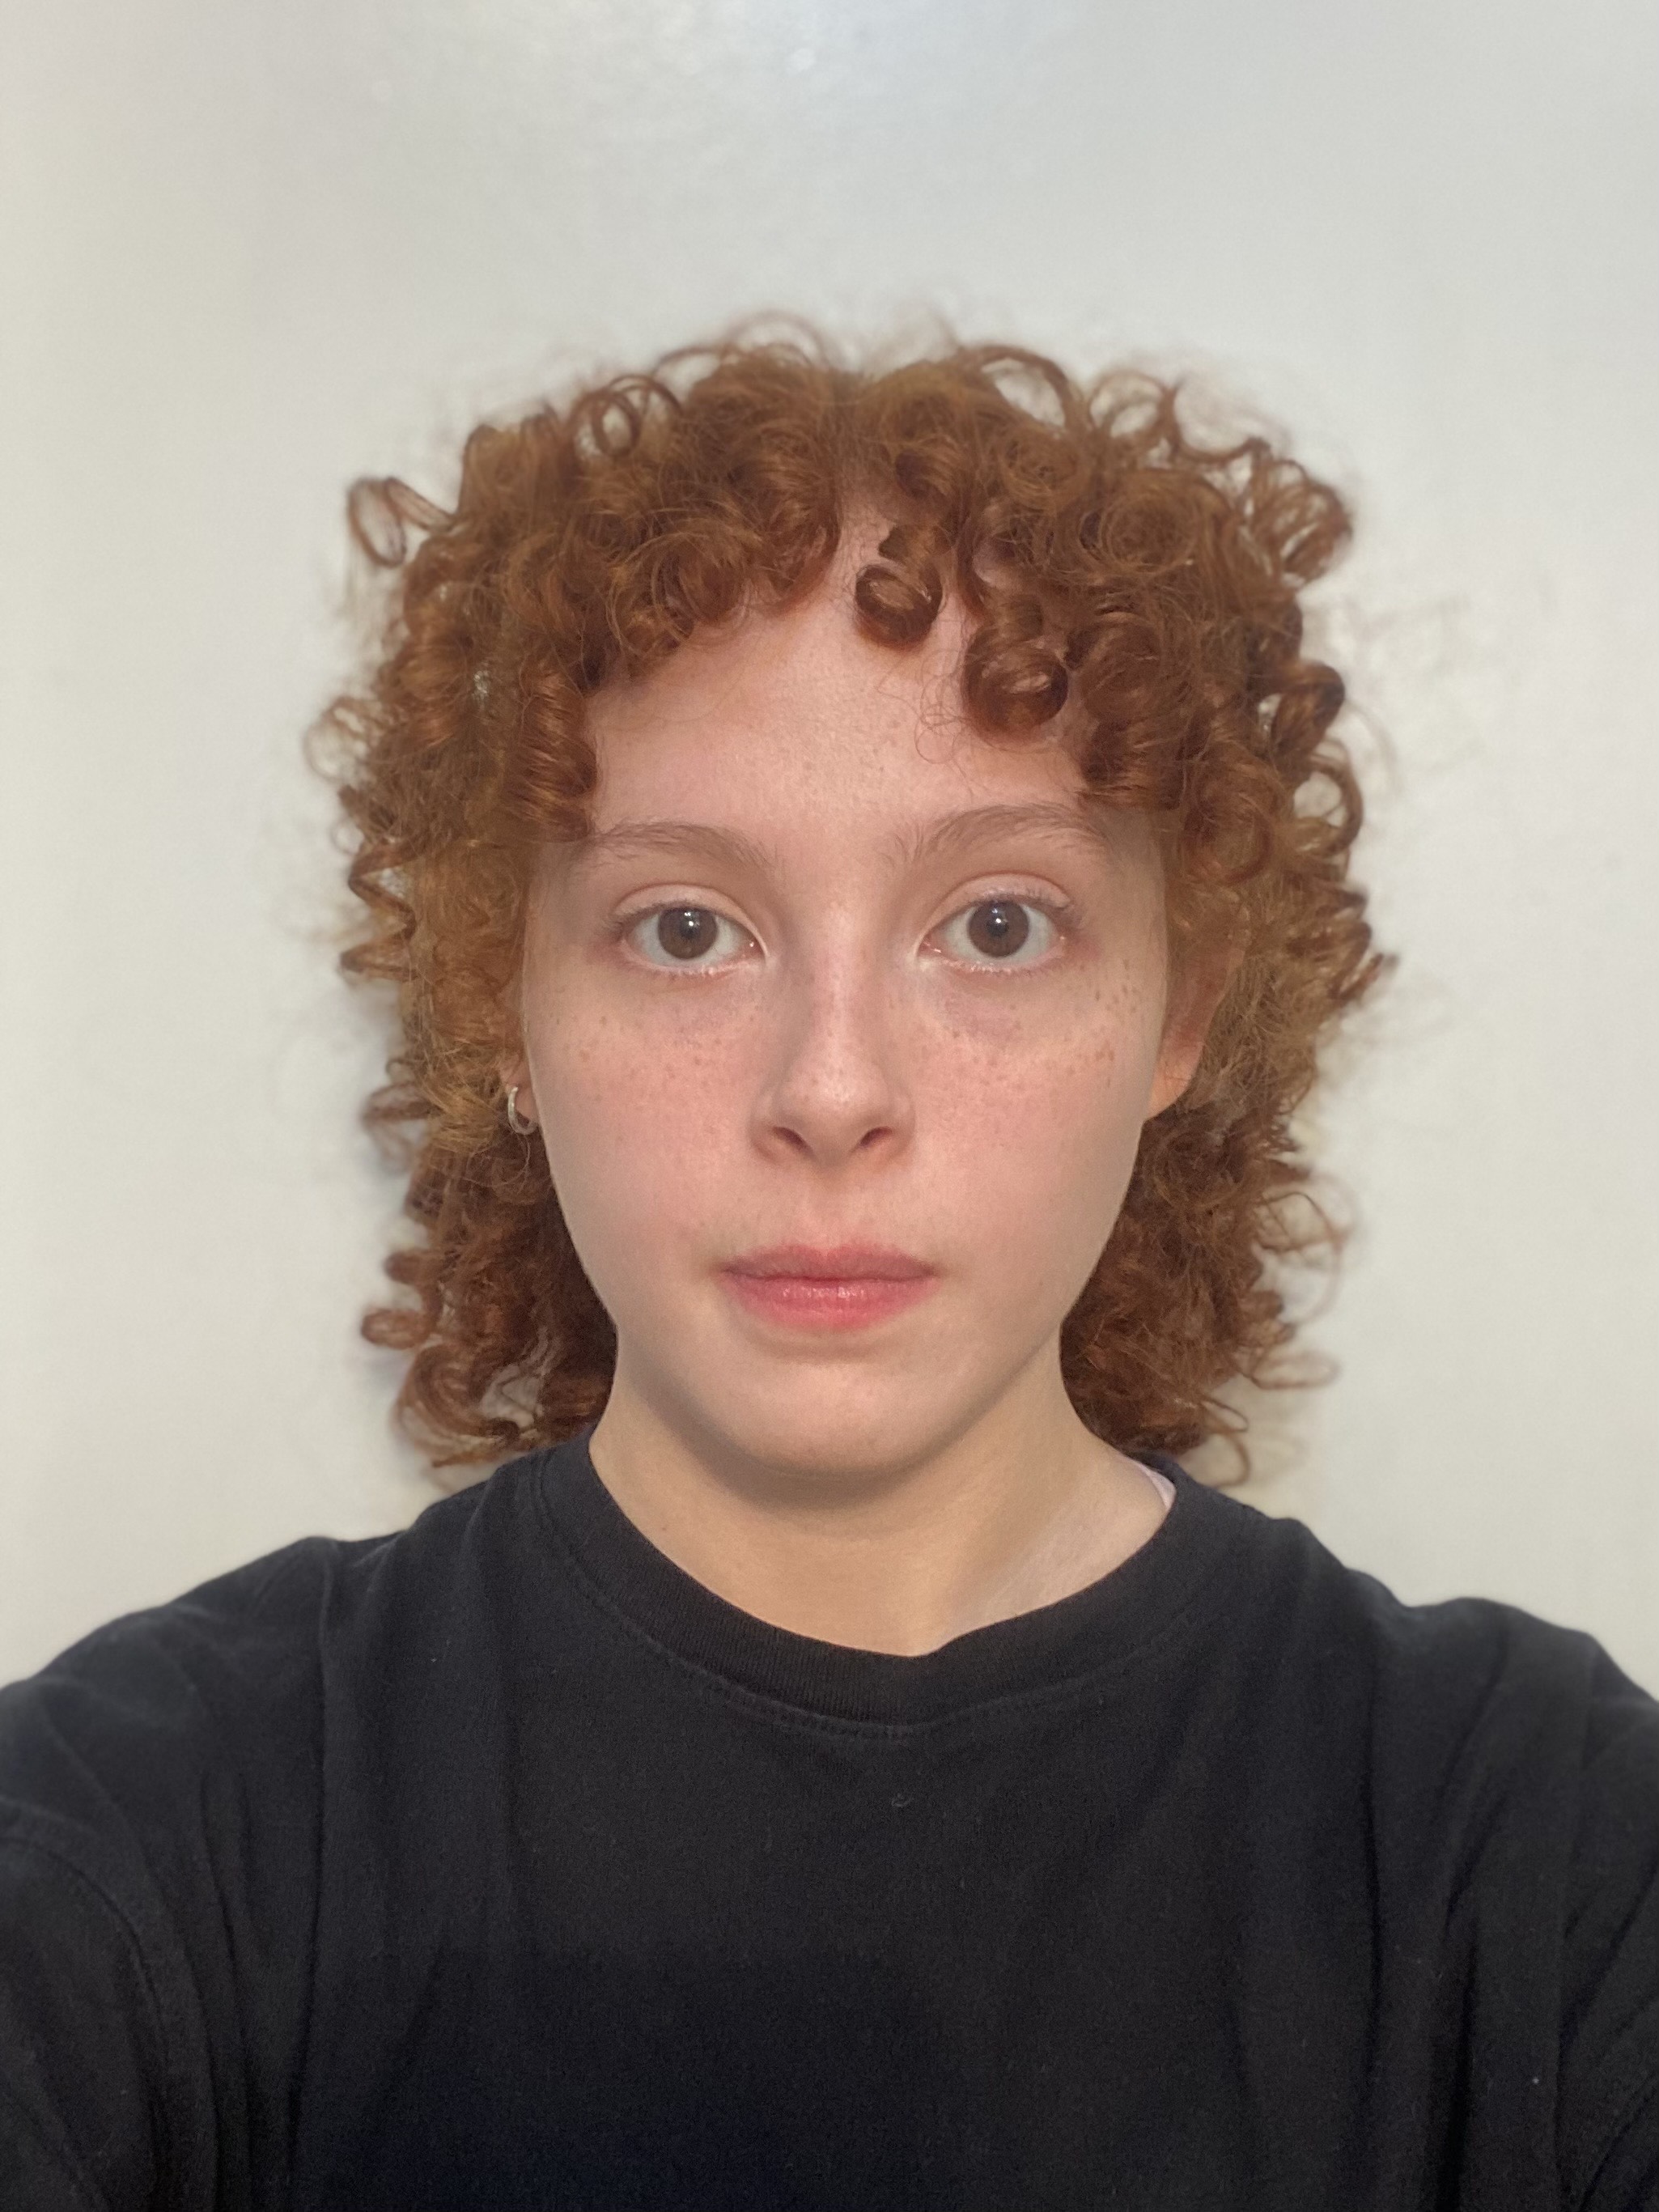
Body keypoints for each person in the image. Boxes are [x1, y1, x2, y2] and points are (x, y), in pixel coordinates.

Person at [1, 333, 1653, 2212]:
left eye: (998, 922)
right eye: (683, 927)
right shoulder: (139, 1837)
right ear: (505, 1008)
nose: (832, 1089)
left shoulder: (1539, 1849)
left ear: (1178, 1010)